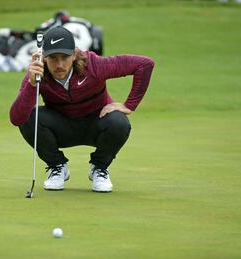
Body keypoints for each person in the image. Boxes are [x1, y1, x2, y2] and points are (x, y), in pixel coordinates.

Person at [10, 26, 154, 193]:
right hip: (62, 127)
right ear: (44, 58)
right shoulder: (37, 74)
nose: (59, 64)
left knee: (119, 122)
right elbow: (17, 118)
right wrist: (31, 85)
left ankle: (99, 169)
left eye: (64, 57)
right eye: (53, 58)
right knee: (29, 117)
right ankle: (57, 167)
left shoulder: (94, 65)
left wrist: (129, 105)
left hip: (97, 124)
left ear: (74, 55)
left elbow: (144, 64)